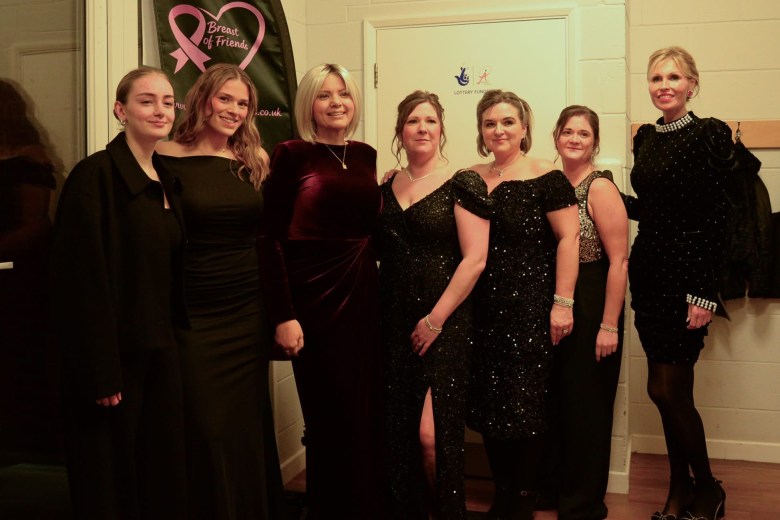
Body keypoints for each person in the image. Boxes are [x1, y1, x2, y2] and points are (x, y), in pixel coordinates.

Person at [51, 66, 187, 519]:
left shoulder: (165, 174)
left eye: (167, 101)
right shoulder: (95, 177)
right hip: (113, 358)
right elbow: (81, 282)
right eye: (146, 100)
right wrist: (100, 370)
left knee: (155, 473)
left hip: (159, 348)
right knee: (107, 481)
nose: (160, 110)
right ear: (120, 110)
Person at [156, 63, 285, 520]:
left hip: (246, 307)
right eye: (225, 99)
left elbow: (272, 238)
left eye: (243, 103)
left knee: (243, 425)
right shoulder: (162, 157)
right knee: (205, 427)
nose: (234, 110)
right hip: (192, 308)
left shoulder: (254, 159)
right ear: (203, 98)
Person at [258, 63, 386, 520]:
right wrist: (282, 313)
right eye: (325, 95)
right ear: (308, 104)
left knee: (363, 408)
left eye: (344, 94)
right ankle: (329, 506)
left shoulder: (367, 154)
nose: (336, 103)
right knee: (327, 410)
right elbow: (269, 238)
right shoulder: (291, 153)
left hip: (363, 289)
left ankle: (363, 505)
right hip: (312, 298)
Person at [625, 46, 733, 520]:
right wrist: (601, 191)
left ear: (692, 84)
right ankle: (679, 490)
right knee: (664, 391)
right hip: (649, 272)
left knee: (669, 390)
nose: (663, 85)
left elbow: (719, 218)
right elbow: (653, 209)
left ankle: (705, 488)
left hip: (687, 275)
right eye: (655, 78)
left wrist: (705, 291)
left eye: (673, 77)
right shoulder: (645, 138)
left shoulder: (709, 134)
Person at [466, 90, 580, 520]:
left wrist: (562, 303)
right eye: (490, 123)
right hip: (481, 309)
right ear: (481, 130)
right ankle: (503, 494)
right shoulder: (470, 177)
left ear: (525, 128)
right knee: (491, 404)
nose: (499, 130)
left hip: (531, 308)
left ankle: (524, 500)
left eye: (508, 122)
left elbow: (569, 238)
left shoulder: (546, 176)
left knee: (525, 404)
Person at [377, 91, 490, 519]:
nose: (421, 128)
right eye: (412, 121)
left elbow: (475, 259)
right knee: (399, 430)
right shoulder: (387, 185)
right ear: (400, 132)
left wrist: (435, 320)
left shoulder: (463, 183)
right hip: (392, 318)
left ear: (441, 128)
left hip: (444, 321)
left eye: (429, 120)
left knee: (432, 435)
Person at [542, 105, 629, 520]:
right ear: (556, 136)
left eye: (584, 133)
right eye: (568, 132)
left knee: (587, 406)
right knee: (557, 402)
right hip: (556, 296)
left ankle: (582, 506)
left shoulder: (600, 188)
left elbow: (619, 262)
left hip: (595, 297)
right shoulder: (550, 180)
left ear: (595, 142)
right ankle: (554, 493)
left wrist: (609, 325)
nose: (575, 139)